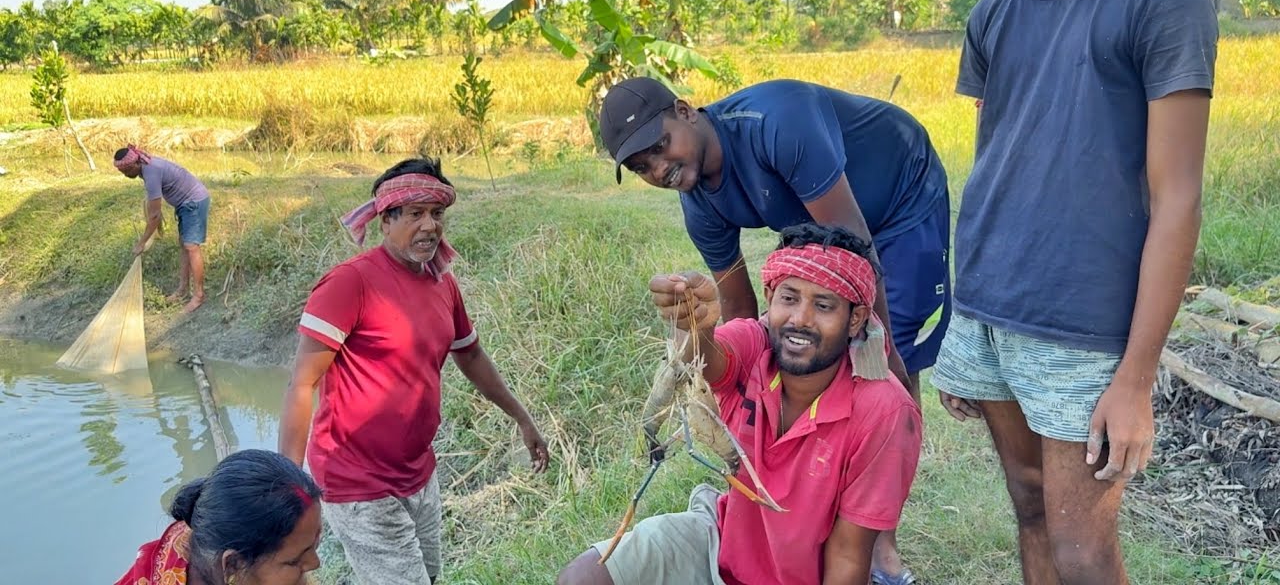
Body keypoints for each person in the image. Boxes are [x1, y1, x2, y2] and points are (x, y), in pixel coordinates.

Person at [909, 0, 1219, 583]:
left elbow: (1178, 197)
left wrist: (1135, 378)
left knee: (1082, 548)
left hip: (1082, 319)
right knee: (1028, 506)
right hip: (990, 304)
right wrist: (968, 322)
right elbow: (1000, 166)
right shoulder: (994, 11)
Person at [601, 77, 950, 583]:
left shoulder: (776, 123)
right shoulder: (699, 202)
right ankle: (811, 498)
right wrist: (721, 369)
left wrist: (884, 354)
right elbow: (740, 314)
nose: (659, 169)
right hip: (829, 223)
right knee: (802, 342)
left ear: (685, 111)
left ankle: (879, 544)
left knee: (884, 370)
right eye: (641, 167)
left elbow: (854, 248)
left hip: (896, 202)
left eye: (659, 146)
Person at [558, 223, 923, 585]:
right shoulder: (755, 343)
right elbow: (707, 357)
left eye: (824, 305)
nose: (800, 320)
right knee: (584, 577)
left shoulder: (885, 411)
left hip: (801, 576)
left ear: (855, 318)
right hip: (721, 541)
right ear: (770, 297)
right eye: (789, 298)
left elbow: (847, 557)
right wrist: (695, 323)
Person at [278, 156, 550, 585]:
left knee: (429, 577)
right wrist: (287, 484)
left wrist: (522, 417)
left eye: (437, 214)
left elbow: (471, 355)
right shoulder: (350, 283)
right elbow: (302, 383)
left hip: (418, 472)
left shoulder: (442, 281)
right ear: (385, 220)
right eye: (415, 214)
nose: (430, 226)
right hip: (357, 481)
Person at [114, 448, 323, 585]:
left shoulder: (207, 534)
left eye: (315, 543)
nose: (315, 563)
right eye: (294, 561)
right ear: (233, 565)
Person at [113, 144, 211, 313]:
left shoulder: (151, 171)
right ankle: (182, 290)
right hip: (184, 204)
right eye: (122, 172)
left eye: (127, 171)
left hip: (194, 202)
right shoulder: (146, 166)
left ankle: (199, 296)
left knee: (192, 247)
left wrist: (142, 242)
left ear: (135, 164)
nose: (125, 175)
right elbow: (153, 203)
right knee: (184, 246)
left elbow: (154, 215)